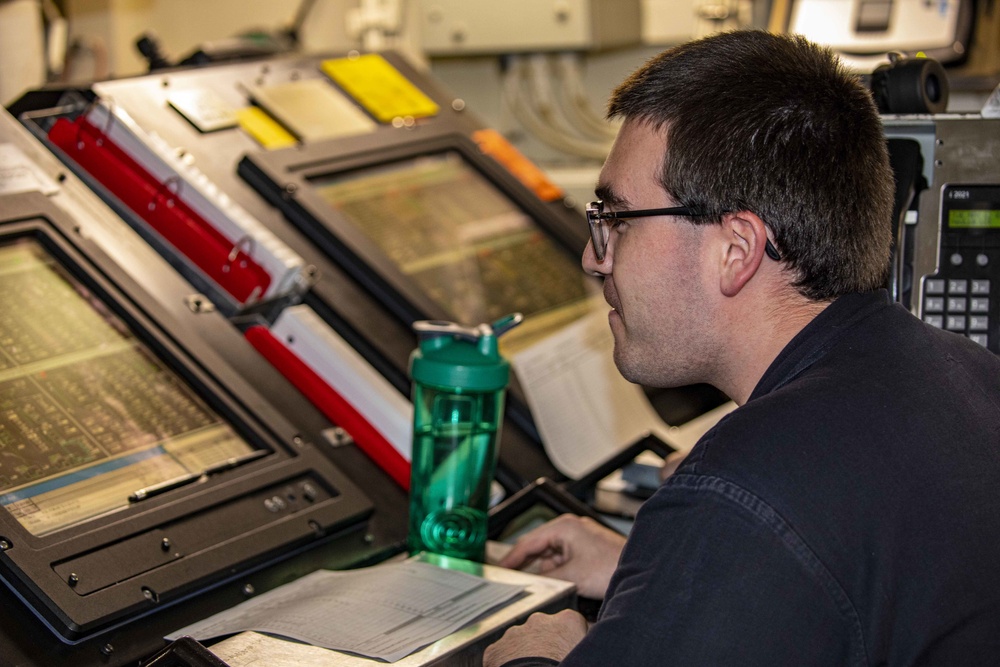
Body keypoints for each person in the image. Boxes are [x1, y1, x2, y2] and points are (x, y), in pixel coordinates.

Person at [483, 29, 1000, 667]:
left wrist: (530, 659)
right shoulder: (967, 375)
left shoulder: (745, 489)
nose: (594, 257)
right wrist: (679, 580)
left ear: (736, 250)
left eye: (616, 219)